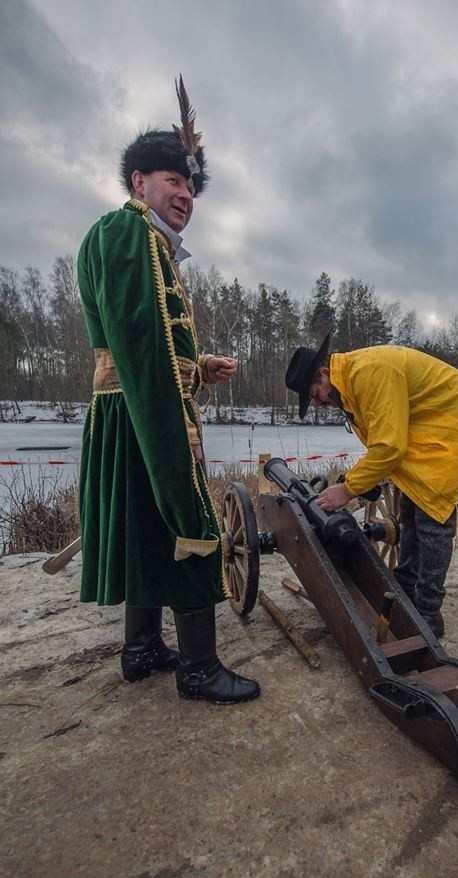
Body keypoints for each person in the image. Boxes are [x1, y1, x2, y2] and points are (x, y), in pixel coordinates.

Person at [77, 77, 259, 704]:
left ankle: (142, 648)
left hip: (123, 411)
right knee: (187, 521)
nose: (185, 195)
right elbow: (139, 355)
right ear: (139, 183)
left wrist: (199, 367)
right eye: (173, 181)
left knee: (145, 531)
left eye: (189, 186)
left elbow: (137, 342)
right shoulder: (129, 235)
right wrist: (176, 445)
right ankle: (200, 669)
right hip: (144, 414)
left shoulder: (135, 238)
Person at [285, 336, 458, 637]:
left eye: (313, 393)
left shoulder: (368, 372)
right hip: (429, 421)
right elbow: (381, 439)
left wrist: (347, 491)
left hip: (455, 419)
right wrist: (362, 481)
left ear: (323, 373)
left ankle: (428, 611)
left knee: (433, 518)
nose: (318, 402)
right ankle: (405, 587)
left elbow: (388, 447)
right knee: (410, 507)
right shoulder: (350, 384)